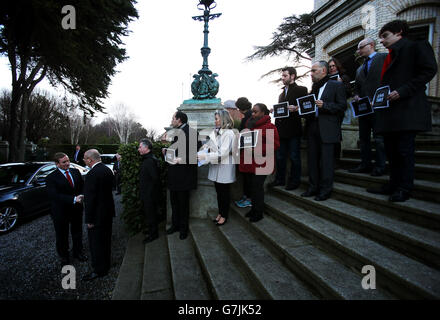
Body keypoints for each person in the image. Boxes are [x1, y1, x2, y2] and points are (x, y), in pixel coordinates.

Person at [367, 20, 437, 202]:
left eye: (385, 36)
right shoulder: (390, 55)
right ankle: (393, 184)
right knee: (391, 151)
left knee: (404, 151)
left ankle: (404, 188)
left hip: (407, 110)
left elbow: (429, 70)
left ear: (399, 33)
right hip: (390, 112)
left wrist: (403, 91)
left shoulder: (416, 45)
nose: (382, 41)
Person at [301, 61, 347, 201]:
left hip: (328, 129)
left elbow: (342, 106)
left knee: (326, 162)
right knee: (312, 160)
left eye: (314, 70)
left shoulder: (336, 85)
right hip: (312, 127)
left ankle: (325, 191)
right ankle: (313, 187)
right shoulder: (313, 88)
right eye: (311, 71)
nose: (311, 73)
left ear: (323, 71)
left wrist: (325, 105)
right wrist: (301, 109)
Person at [349, 38, 387, 176]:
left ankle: (381, 166)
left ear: (371, 45)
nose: (358, 51)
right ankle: (365, 164)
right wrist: (356, 95)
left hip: (380, 106)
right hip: (364, 109)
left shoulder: (383, 58)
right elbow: (357, 88)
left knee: (379, 138)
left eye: (360, 47)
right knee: (364, 138)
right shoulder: (359, 69)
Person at [269, 67, 308, 190]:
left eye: (285, 76)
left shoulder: (302, 89)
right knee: (280, 156)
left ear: (292, 76)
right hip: (281, 130)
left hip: (294, 130)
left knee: (294, 156)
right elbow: (282, 111)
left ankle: (294, 181)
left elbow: (306, 106)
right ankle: (280, 179)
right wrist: (274, 110)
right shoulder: (281, 94)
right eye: (282, 76)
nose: (282, 78)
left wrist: (297, 108)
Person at [239, 103, 280, 222]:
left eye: (255, 112)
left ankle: (258, 212)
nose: (253, 114)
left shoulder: (270, 127)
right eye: (252, 111)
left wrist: (255, 150)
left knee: (257, 188)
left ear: (263, 113)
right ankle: (253, 209)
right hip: (249, 162)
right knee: (252, 188)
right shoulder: (249, 126)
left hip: (262, 163)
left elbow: (275, 145)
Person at [46, 152, 87, 266]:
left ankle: (78, 252)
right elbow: (54, 196)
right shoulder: (51, 178)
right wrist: (73, 199)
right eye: (64, 162)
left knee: (77, 232)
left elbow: (82, 187)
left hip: (76, 210)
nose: (68, 163)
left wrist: (83, 195)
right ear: (57, 164)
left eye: (68, 160)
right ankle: (64, 256)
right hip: (60, 211)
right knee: (62, 235)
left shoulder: (75, 172)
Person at [165, 111, 200, 240]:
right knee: (174, 203)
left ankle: (183, 229)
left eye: (173, 118)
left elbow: (195, 154)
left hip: (184, 176)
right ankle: (175, 225)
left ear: (179, 119)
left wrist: (180, 159)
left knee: (183, 204)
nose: (171, 120)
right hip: (174, 175)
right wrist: (167, 151)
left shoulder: (191, 132)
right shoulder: (177, 132)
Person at [198, 109, 236, 226]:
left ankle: (224, 215)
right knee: (219, 193)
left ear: (223, 119)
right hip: (217, 167)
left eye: (216, 119)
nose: (214, 121)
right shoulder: (216, 132)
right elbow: (211, 145)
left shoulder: (229, 133)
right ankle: (220, 213)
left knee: (224, 194)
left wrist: (206, 156)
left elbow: (222, 153)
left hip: (224, 168)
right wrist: (205, 147)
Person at [82, 149, 115, 280]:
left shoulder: (92, 174)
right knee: (106, 241)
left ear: (90, 160)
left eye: (85, 159)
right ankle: (106, 265)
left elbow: (91, 199)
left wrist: (89, 219)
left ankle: (99, 270)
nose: (84, 161)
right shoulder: (107, 170)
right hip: (108, 212)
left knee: (96, 244)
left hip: (96, 216)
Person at [328, 58, 351, 166]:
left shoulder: (343, 78)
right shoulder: (327, 79)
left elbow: (348, 93)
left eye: (333, 66)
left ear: (337, 66)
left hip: (338, 110)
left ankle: (336, 160)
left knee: (336, 135)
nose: (332, 68)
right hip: (328, 109)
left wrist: (340, 84)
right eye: (330, 66)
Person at [138, 139, 160, 243]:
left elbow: (155, 178)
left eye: (140, 147)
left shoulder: (150, 160)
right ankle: (151, 231)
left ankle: (153, 234)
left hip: (150, 195)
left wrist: (148, 194)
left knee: (151, 214)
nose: (138, 149)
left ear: (146, 148)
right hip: (147, 193)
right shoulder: (148, 159)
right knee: (149, 214)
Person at [234, 97, 253, 208]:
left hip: (247, 151)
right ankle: (247, 197)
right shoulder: (248, 117)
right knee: (247, 177)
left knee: (247, 177)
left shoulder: (247, 119)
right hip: (248, 151)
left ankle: (248, 198)